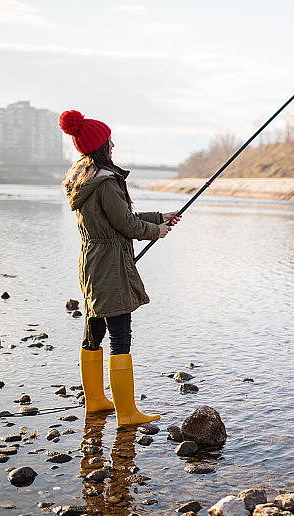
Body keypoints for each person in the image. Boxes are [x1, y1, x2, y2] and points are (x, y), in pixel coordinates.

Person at [59, 109, 179, 425]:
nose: (113, 145)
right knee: (120, 335)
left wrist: (158, 218)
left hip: (92, 261)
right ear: (101, 146)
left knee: (94, 327)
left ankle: (96, 401)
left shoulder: (81, 178)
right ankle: (127, 413)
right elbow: (124, 224)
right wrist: (157, 232)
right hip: (111, 265)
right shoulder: (106, 182)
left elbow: (112, 222)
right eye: (110, 141)